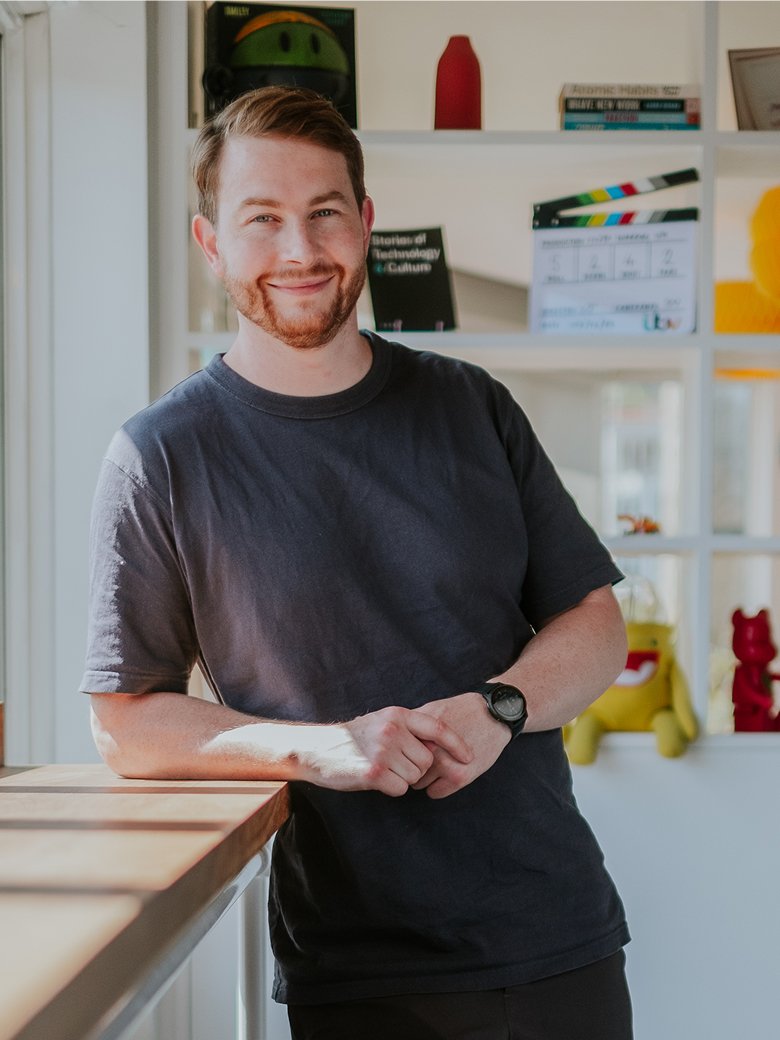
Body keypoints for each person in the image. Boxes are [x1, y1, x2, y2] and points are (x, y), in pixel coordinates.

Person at [83, 85, 633, 1040]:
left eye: (325, 213)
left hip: (554, 937)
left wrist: (501, 706)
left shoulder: (474, 406)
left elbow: (593, 623)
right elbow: (126, 721)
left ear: (366, 224)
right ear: (212, 242)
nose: (299, 250)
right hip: (354, 964)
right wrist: (318, 749)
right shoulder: (161, 456)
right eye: (263, 220)